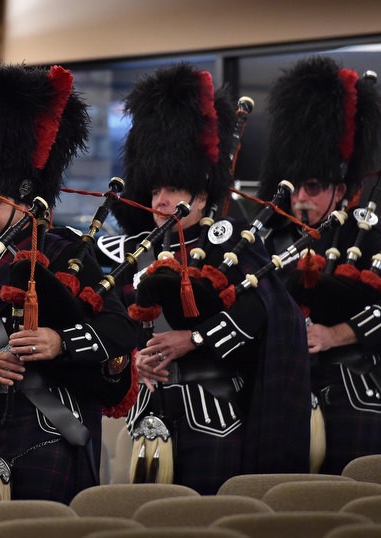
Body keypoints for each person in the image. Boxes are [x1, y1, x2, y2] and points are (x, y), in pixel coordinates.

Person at [0, 61, 137, 503]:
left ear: (29, 203)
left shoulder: (68, 254)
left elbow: (121, 330)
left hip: (48, 432)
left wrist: (59, 341)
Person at [107, 64, 310, 494]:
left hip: (213, 411)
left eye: (173, 190)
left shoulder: (232, 241)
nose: (160, 200)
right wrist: (131, 362)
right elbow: (116, 322)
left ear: (200, 196)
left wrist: (194, 340)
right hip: (147, 412)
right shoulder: (134, 250)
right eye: (155, 189)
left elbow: (264, 311)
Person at [258, 57, 381, 473]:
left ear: (341, 189)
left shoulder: (366, 237)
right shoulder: (269, 241)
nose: (300, 200)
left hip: (355, 391)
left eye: (314, 187)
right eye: (294, 189)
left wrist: (335, 335)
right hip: (285, 396)